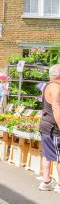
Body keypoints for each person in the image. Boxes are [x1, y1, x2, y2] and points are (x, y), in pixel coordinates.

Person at [38, 64, 60, 193]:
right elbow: (57, 108)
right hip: (55, 128)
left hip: (46, 125)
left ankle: (46, 181)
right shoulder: (57, 89)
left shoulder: (46, 86)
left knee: (47, 154)